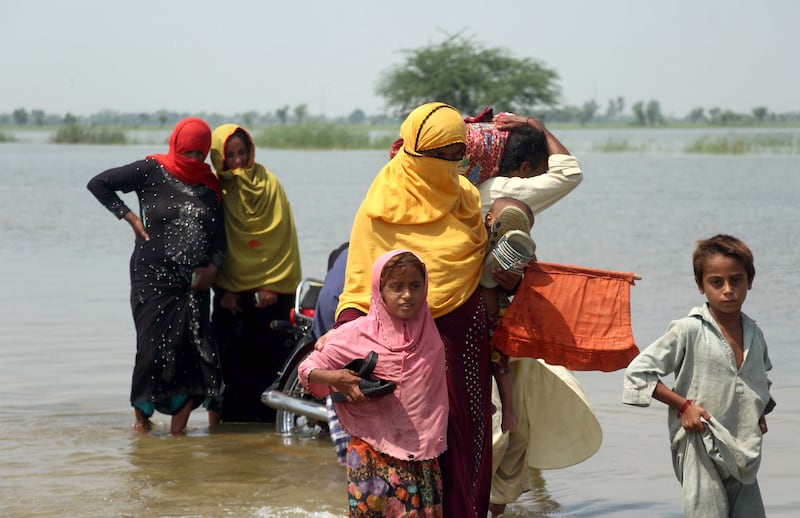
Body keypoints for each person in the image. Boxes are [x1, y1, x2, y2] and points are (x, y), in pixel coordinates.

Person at [335, 102, 492, 517]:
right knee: (407, 462)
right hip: (401, 356)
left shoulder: (468, 199)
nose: (450, 165)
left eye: (458, 155)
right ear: (416, 152)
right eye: (441, 156)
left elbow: (479, 268)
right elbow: (358, 289)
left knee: (467, 446)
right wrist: (351, 361)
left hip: (462, 349)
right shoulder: (380, 206)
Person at [461, 112, 592, 518]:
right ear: (522, 171)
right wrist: (540, 126)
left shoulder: (468, 191)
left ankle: (482, 504)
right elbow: (569, 172)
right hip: (493, 323)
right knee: (506, 427)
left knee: (506, 423)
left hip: (481, 316)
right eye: (533, 174)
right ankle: (487, 505)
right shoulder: (506, 193)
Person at [86, 117, 224, 435]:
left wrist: (213, 269)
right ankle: (141, 422)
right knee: (152, 350)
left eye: (199, 154)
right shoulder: (150, 170)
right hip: (152, 280)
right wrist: (131, 218)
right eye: (187, 152)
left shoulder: (211, 187)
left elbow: (220, 238)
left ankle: (179, 432)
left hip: (194, 286)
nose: (192, 160)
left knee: (196, 352)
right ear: (176, 145)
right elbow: (98, 184)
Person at [623, 234, 776, 517]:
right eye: (716, 282)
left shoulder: (755, 334)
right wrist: (684, 406)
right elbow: (639, 372)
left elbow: (757, 381)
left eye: (736, 280)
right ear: (700, 285)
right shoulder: (688, 330)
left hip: (743, 446)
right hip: (700, 443)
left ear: (750, 281)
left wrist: (759, 412)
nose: (728, 290)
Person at [299, 250, 448, 517]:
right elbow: (307, 369)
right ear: (379, 290)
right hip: (372, 451)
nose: (407, 295)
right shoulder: (356, 333)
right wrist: (337, 379)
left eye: (415, 286)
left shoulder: (431, 333)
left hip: (421, 454)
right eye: (396, 287)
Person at [205, 124, 302, 424]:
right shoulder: (214, 191)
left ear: (251, 152)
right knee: (228, 371)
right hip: (230, 297)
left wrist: (272, 285)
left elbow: (281, 237)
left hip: (272, 295)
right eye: (229, 155)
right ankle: (230, 445)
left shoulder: (269, 184)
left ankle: (268, 431)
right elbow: (213, 245)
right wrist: (223, 291)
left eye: (241, 153)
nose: (236, 161)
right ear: (218, 158)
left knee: (270, 370)